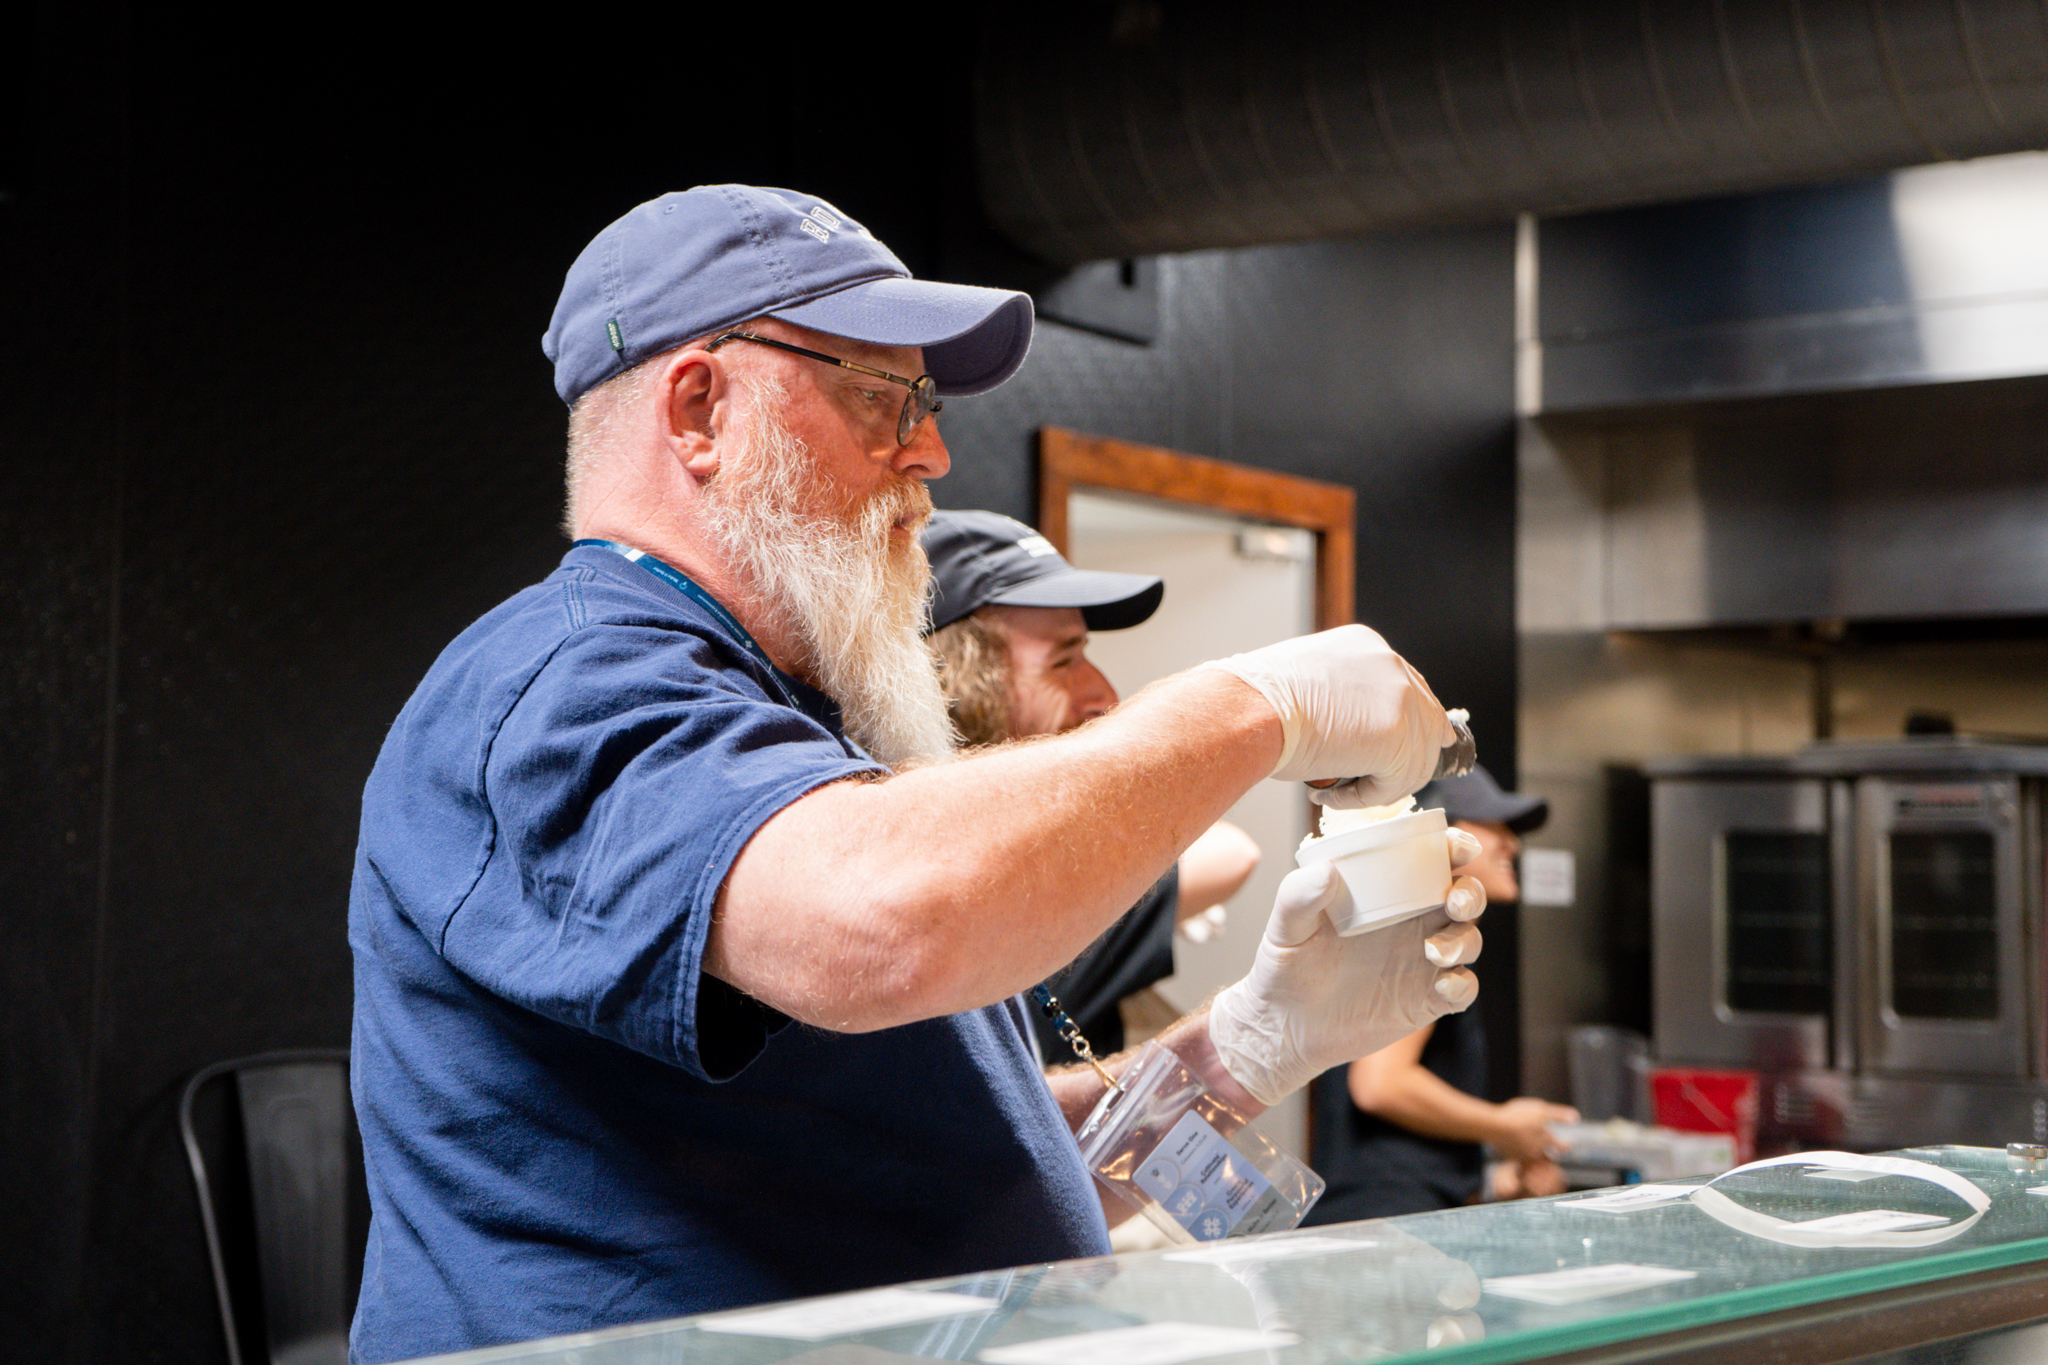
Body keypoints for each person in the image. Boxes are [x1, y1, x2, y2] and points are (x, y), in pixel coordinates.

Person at [346, 184, 1486, 1362]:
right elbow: (883, 923)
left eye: (923, 401)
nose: (930, 450)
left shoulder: (794, 728)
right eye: (879, 395)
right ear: (699, 410)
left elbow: (967, 1167)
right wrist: (1255, 705)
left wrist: (1252, 1043)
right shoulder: (565, 682)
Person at [919, 509, 1262, 1060]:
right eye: (1064, 661)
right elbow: (1229, 852)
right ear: (955, 680)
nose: (1102, 692)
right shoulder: (963, 886)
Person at [1304, 765, 1577, 1224]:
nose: (1511, 843)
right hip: (1383, 1218)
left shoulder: (1429, 930)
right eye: (1495, 825)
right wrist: (1504, 1126)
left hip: (1386, 1214)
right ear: (1439, 835)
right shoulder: (1419, 931)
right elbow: (1380, 1085)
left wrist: (1492, 1179)